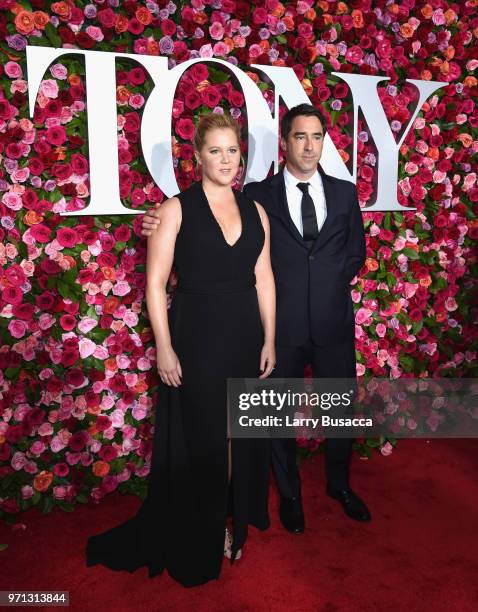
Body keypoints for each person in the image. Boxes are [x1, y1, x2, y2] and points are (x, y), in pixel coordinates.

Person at [141, 103, 370, 537]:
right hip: (276, 330)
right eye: (299, 136)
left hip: (330, 323)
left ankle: (340, 486)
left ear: (325, 142)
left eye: (317, 136)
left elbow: (355, 251)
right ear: (283, 143)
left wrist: (329, 282)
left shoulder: (345, 192)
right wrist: (152, 219)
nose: (309, 145)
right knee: (275, 419)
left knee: (341, 411)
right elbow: (203, 226)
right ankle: (289, 497)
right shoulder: (259, 196)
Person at [86, 113, 276, 587]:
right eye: (215, 150)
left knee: (237, 435)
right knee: (205, 438)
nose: (226, 159)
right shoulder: (174, 209)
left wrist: (271, 337)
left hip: (245, 337)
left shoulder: (257, 211)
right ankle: (203, 532)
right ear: (196, 158)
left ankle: (227, 520)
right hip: (197, 337)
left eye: (232, 150)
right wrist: (164, 348)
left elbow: (264, 278)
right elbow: (153, 284)